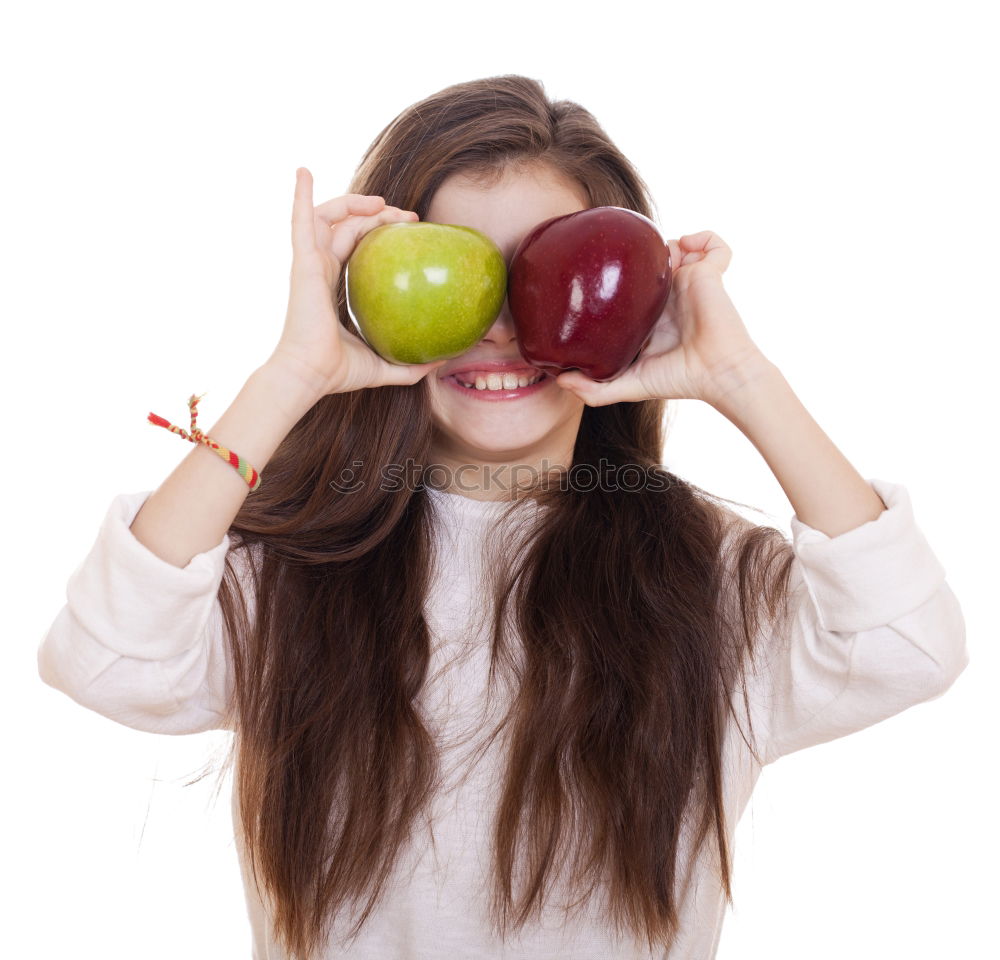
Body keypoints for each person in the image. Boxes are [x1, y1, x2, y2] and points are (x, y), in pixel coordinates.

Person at [36, 74, 969, 960]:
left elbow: (907, 647)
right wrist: (290, 377)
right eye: (464, 269)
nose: (500, 327)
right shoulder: (293, 573)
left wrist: (741, 379)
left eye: (543, 270)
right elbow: (106, 657)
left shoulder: (710, 586)